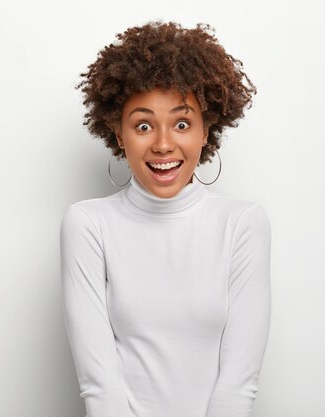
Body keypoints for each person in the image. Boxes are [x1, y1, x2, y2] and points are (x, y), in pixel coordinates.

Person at [59, 21, 271, 417]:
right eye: (143, 125)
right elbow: (99, 386)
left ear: (207, 130)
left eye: (182, 123)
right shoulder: (88, 224)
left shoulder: (242, 223)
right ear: (118, 133)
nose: (162, 144)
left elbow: (238, 384)